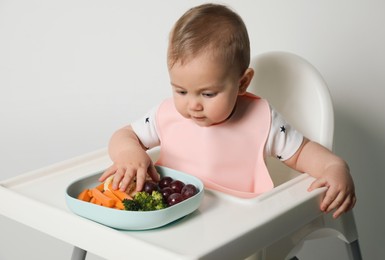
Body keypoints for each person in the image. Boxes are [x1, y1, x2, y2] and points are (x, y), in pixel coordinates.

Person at [99, 3, 356, 218]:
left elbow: (302, 154)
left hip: (239, 228)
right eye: (180, 91)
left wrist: (334, 167)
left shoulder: (262, 120)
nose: (193, 105)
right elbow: (124, 134)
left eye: (208, 94)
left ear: (242, 82)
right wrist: (128, 153)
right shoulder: (165, 115)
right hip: (173, 220)